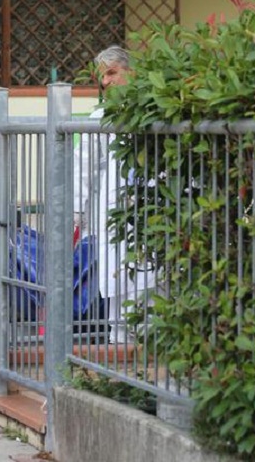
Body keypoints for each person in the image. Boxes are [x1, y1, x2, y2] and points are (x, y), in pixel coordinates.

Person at [74, 45, 156, 344]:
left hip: (151, 211)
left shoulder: (155, 110)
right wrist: (76, 212)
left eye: (112, 73)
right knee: (118, 285)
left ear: (131, 72)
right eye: (102, 76)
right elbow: (83, 167)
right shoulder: (101, 116)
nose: (105, 81)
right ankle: (121, 344)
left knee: (151, 282)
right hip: (114, 214)